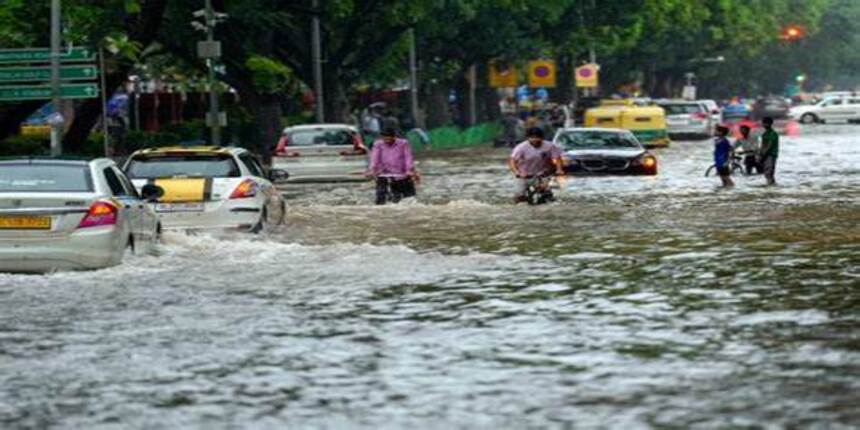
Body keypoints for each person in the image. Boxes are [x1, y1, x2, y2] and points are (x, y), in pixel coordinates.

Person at [509, 127, 565, 203]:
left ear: (542, 138)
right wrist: (517, 172)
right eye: (532, 137)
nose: (535, 140)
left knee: (546, 194)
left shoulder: (550, 146)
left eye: (537, 137)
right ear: (528, 138)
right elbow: (512, 161)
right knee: (519, 196)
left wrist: (559, 169)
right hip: (524, 175)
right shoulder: (521, 147)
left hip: (542, 174)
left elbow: (557, 158)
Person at [366, 128, 418, 205]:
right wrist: (372, 170)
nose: (387, 141)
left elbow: (408, 157)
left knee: (408, 198)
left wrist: (409, 170)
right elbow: (375, 158)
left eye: (389, 139)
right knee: (381, 197)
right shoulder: (378, 144)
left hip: (402, 174)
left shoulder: (403, 143)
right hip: (384, 173)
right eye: (385, 139)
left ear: (394, 137)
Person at [759, 117, 779, 186]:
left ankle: (770, 185)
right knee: (767, 171)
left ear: (769, 124)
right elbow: (762, 145)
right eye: (763, 123)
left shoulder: (773, 133)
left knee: (769, 172)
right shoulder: (765, 134)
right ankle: (771, 185)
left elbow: (769, 145)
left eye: (765, 123)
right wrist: (760, 154)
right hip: (765, 155)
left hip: (771, 154)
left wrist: (763, 154)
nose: (764, 125)